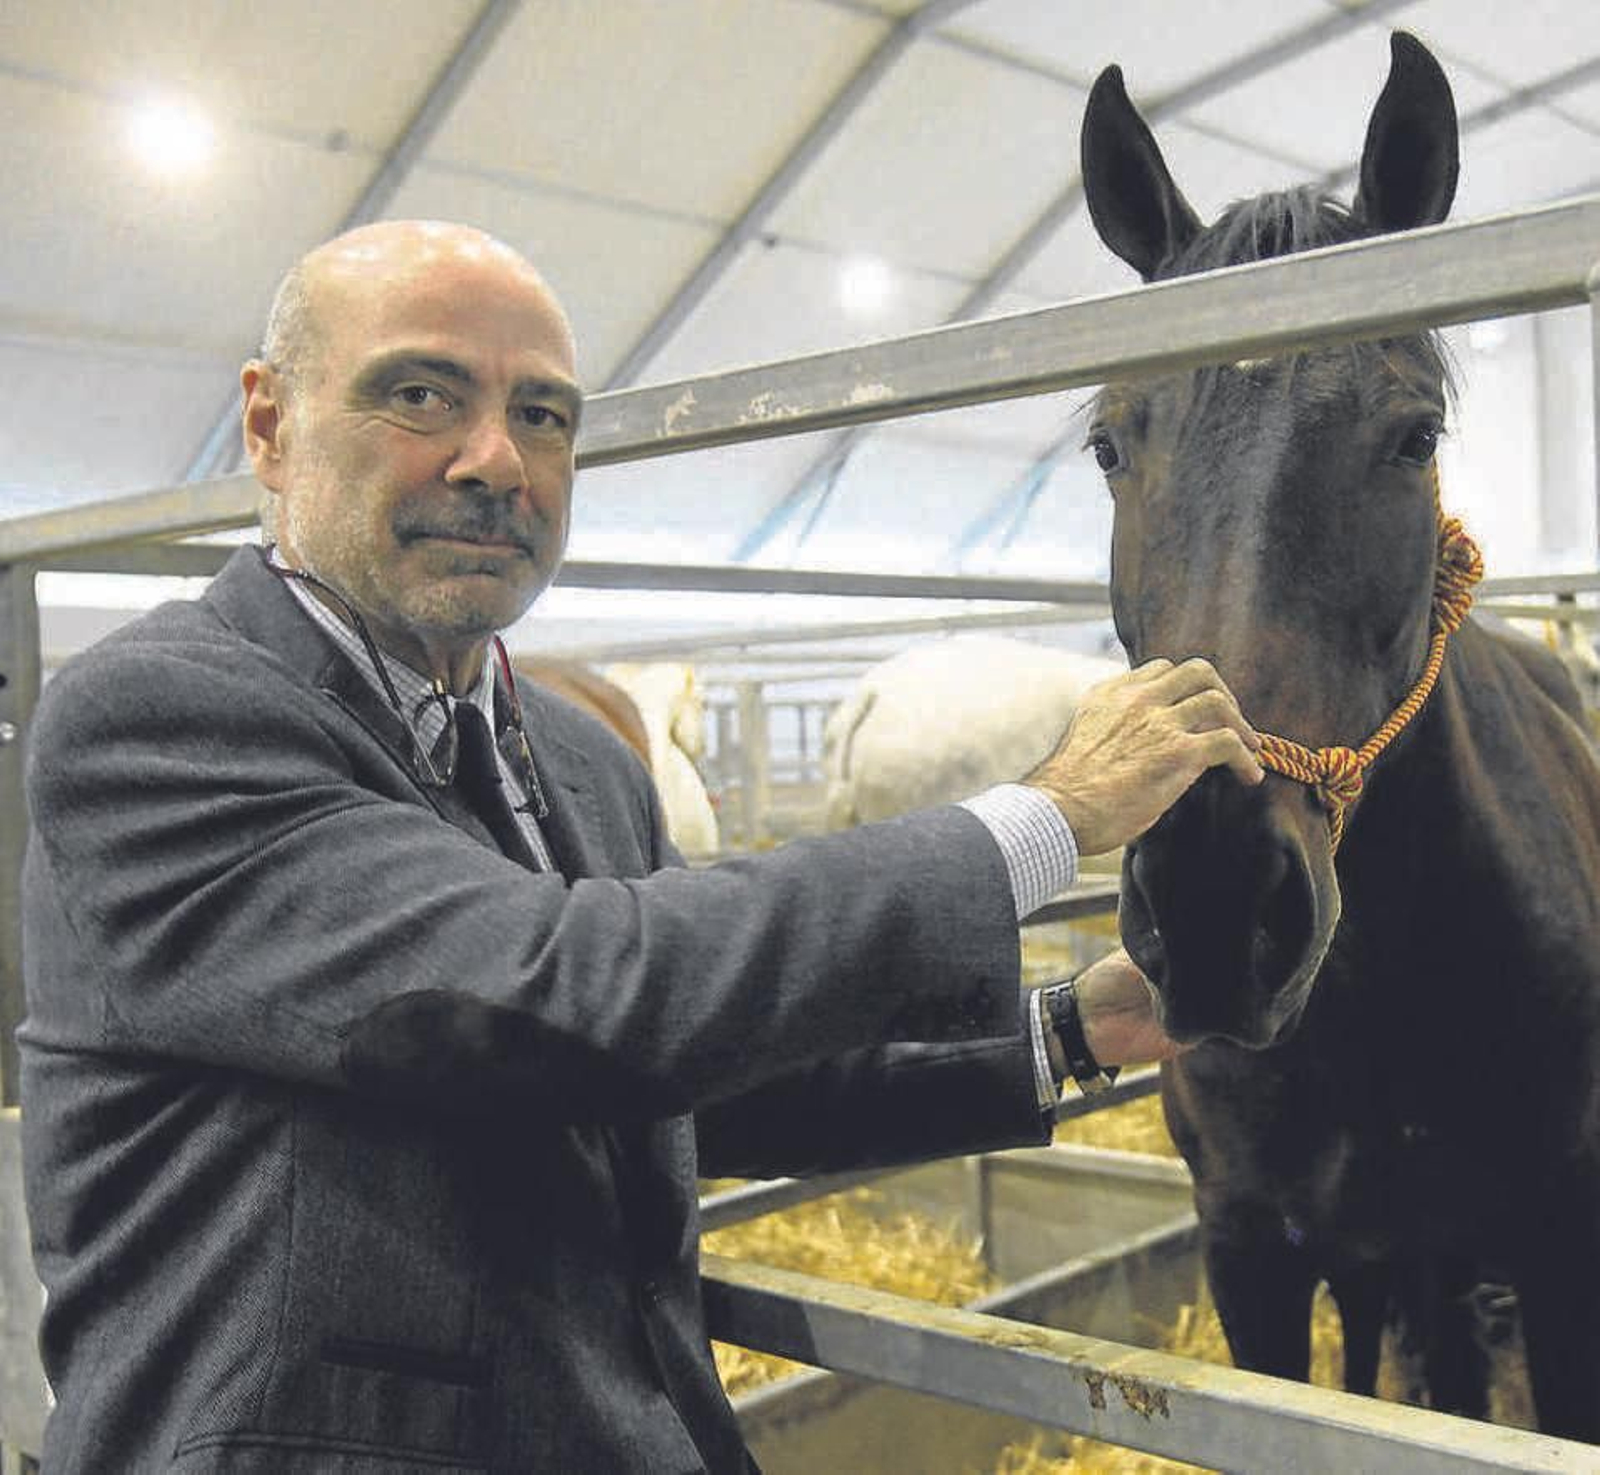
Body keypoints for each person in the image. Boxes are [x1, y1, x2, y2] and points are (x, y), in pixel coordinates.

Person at [17, 221, 1262, 1473]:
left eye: (545, 416)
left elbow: (681, 1077)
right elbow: (556, 995)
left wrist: (1064, 1031)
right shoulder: (162, 718)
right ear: (270, 425)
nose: (498, 460)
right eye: (419, 393)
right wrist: (1043, 819)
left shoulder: (578, 760)